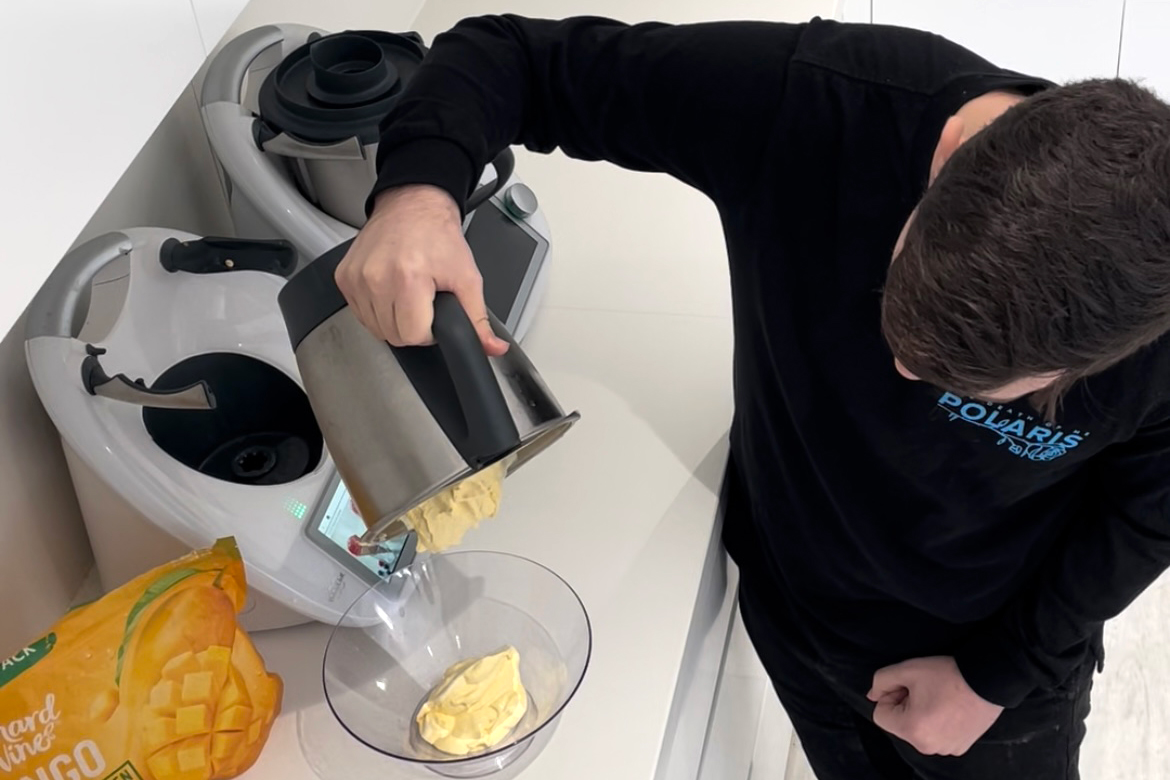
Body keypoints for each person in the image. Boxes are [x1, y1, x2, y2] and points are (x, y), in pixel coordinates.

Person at [333, 14, 1170, 779]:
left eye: (969, 383)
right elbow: (508, 55)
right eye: (894, 305)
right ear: (945, 165)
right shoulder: (815, 107)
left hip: (994, 659)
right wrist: (419, 195)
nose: (904, 375)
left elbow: (1146, 516)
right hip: (793, 605)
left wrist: (997, 677)